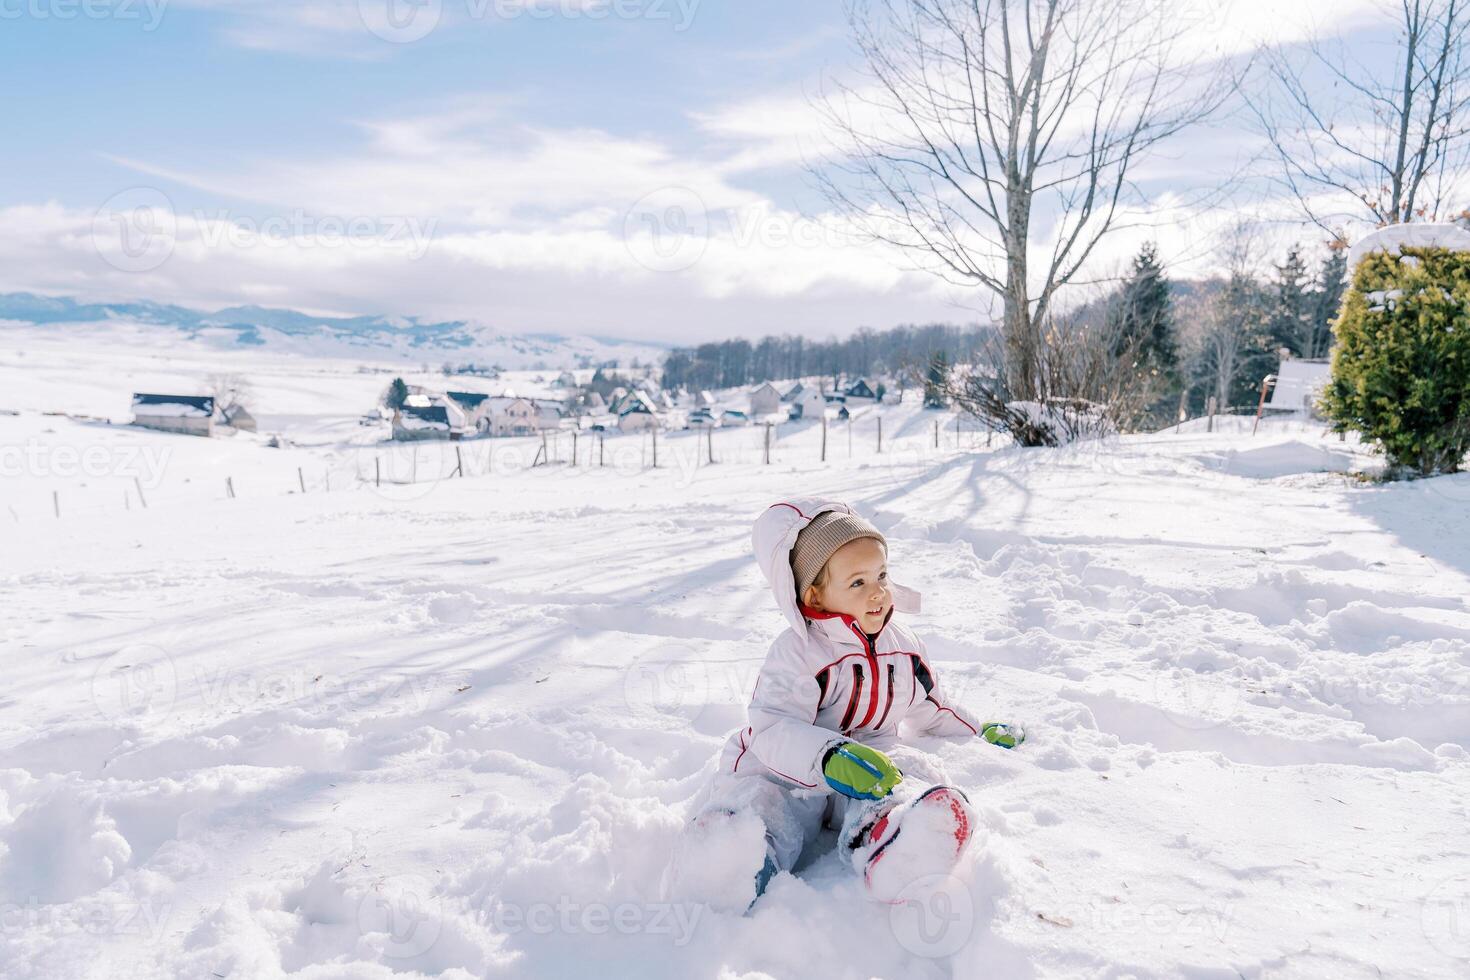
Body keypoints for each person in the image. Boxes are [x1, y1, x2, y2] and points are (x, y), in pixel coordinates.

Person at [679, 499, 1025, 908]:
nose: (878, 591)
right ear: (816, 596)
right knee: (766, 800)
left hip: (872, 753)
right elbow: (771, 727)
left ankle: (894, 841)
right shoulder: (798, 651)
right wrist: (828, 756)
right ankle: (736, 857)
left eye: (882, 574)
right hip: (785, 765)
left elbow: (931, 705)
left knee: (907, 773)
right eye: (858, 583)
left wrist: (978, 728)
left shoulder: (904, 646)